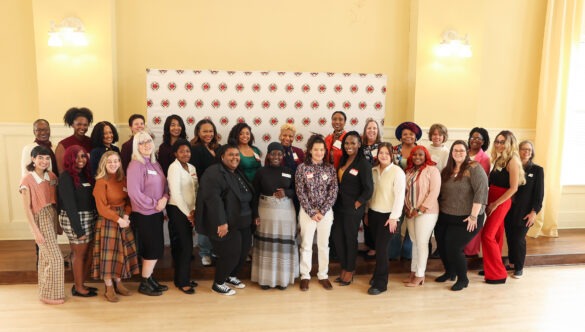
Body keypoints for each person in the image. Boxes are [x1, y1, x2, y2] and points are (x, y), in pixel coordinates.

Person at [195, 144, 255, 296]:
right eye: (231, 155)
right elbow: (213, 200)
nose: (235, 157)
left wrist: (255, 216)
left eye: (237, 155)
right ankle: (218, 283)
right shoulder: (213, 173)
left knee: (242, 252)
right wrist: (221, 222)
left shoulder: (236, 172)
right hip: (227, 222)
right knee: (231, 253)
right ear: (222, 157)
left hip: (244, 221)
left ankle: (230, 276)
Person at [434, 140, 488, 291]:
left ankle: (463, 279)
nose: (458, 153)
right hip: (446, 215)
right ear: (451, 153)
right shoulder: (447, 170)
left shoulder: (474, 168)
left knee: (454, 247)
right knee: (442, 245)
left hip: (467, 217)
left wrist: (473, 216)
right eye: (455, 150)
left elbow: (481, 192)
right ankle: (449, 272)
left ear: (467, 152)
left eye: (461, 150)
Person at [92, 151, 140, 302]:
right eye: (109, 161)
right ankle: (109, 287)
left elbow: (129, 200)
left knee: (121, 253)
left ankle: (119, 283)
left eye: (116, 161)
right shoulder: (101, 182)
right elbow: (101, 208)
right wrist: (118, 219)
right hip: (108, 220)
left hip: (123, 219)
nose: (113, 164)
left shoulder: (124, 179)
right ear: (104, 164)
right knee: (109, 256)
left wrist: (126, 215)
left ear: (120, 163)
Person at [20, 146, 64, 304]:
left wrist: (57, 222)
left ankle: (45, 292)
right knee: (56, 258)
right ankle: (53, 294)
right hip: (39, 218)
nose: (44, 161)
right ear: (33, 159)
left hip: (51, 215)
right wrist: (35, 232)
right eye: (40, 158)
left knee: (46, 258)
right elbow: (27, 209)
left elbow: (56, 202)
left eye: (47, 158)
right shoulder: (27, 180)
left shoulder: (51, 176)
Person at [251, 142, 298, 290]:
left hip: (286, 213)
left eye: (279, 153)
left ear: (283, 155)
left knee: (282, 245)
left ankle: (282, 280)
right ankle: (265, 280)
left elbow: (296, 191)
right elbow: (254, 194)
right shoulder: (261, 172)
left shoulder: (289, 171)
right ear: (268, 155)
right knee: (266, 246)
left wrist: (286, 192)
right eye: (273, 153)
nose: (276, 156)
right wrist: (255, 214)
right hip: (265, 212)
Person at [127, 130, 169, 296]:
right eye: (141, 142)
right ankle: (144, 283)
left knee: (157, 247)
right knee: (151, 248)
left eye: (148, 141)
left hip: (156, 212)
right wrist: (154, 204)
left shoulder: (154, 163)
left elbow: (165, 185)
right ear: (136, 146)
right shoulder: (135, 165)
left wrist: (165, 198)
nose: (146, 145)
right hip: (144, 214)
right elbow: (134, 193)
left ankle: (149, 278)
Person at [481, 131, 525, 284]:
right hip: (493, 198)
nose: (498, 144)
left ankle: (498, 274)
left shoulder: (512, 160)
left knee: (487, 235)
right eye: (497, 141)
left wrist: (495, 203)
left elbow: (513, 188)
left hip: (501, 201)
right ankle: (491, 267)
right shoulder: (499, 158)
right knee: (497, 236)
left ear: (509, 143)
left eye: (502, 142)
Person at [296, 134, 338, 291]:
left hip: (326, 213)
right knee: (306, 244)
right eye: (316, 149)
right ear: (310, 150)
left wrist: (323, 210)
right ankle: (305, 276)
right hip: (307, 213)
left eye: (322, 149)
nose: (319, 152)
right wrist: (312, 212)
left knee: (323, 245)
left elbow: (333, 191)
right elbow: (300, 192)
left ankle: (323, 275)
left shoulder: (330, 168)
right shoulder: (302, 168)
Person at [333, 131, 373, 286]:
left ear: (359, 145)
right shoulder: (343, 159)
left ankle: (349, 270)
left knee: (350, 239)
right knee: (337, 237)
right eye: (347, 143)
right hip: (339, 206)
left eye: (353, 143)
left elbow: (369, 188)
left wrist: (359, 203)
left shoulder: (363, 163)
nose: (349, 146)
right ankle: (345, 267)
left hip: (353, 208)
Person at [365, 142, 405, 295]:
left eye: (386, 153)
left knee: (382, 250)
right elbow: (370, 195)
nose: (383, 156)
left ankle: (381, 284)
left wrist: (394, 217)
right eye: (380, 153)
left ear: (392, 155)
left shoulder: (397, 172)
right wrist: (367, 212)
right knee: (377, 248)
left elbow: (399, 197)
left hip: (389, 217)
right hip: (374, 214)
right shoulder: (373, 170)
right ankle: (376, 276)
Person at [58, 145, 98, 297]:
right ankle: (79, 288)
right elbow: (69, 205)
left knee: (86, 253)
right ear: (69, 158)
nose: (80, 160)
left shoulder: (85, 175)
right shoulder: (66, 177)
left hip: (88, 216)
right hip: (75, 218)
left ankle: (81, 284)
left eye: (83, 156)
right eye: (77, 157)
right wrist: (78, 229)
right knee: (78, 254)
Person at [504, 140, 544, 279]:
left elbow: (539, 195)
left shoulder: (537, 170)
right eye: (523, 149)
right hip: (509, 209)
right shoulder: (512, 165)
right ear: (518, 150)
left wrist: (534, 212)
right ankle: (513, 263)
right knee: (510, 237)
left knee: (519, 239)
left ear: (532, 152)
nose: (526, 152)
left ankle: (519, 267)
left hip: (526, 212)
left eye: (529, 150)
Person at [403, 146, 441, 287]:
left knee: (422, 242)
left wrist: (420, 209)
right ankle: (413, 272)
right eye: (414, 155)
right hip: (410, 212)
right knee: (414, 242)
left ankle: (420, 275)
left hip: (426, 212)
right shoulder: (410, 171)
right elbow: (405, 192)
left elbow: (434, 192)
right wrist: (407, 208)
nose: (417, 157)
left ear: (426, 156)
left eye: (420, 154)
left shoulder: (432, 170)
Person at [167, 139, 198, 294]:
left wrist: (194, 210)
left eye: (188, 151)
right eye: (181, 151)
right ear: (175, 154)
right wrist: (188, 214)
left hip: (190, 211)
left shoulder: (191, 167)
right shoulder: (174, 168)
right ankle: (182, 282)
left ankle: (182, 277)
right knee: (185, 247)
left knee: (186, 247)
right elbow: (176, 193)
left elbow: (195, 190)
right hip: (178, 210)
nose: (185, 154)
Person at [189, 119, 221, 267]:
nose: (208, 134)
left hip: (219, 192)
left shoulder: (219, 148)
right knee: (203, 222)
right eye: (205, 131)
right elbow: (195, 172)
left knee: (216, 221)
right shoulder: (195, 149)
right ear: (198, 132)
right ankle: (204, 253)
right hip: (203, 191)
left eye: (211, 131)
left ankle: (215, 250)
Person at [390, 121, 422, 260]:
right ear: (400, 136)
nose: (408, 136)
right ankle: (393, 253)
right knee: (396, 222)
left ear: (416, 136)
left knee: (412, 224)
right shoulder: (394, 150)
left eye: (411, 134)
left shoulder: (421, 150)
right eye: (405, 134)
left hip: (414, 193)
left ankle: (408, 253)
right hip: (396, 192)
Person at [463, 127, 491, 257]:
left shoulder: (484, 158)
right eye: (472, 137)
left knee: (473, 223)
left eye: (478, 138)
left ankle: (471, 252)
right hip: (460, 195)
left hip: (475, 196)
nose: (474, 140)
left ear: (483, 142)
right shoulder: (463, 152)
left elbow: (481, 180)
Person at [361, 118, 382, 258]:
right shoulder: (360, 148)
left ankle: (376, 246)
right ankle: (369, 244)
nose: (372, 131)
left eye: (374, 128)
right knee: (365, 214)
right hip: (363, 184)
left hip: (378, 184)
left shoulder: (382, 147)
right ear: (365, 130)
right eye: (369, 128)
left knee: (375, 214)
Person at [55, 107, 93, 172]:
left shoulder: (91, 142)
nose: (82, 127)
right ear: (72, 125)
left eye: (85, 125)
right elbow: (61, 172)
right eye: (79, 124)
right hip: (70, 180)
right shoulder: (63, 145)